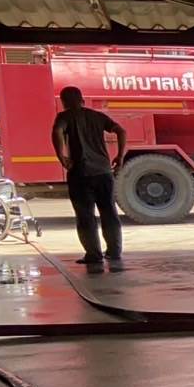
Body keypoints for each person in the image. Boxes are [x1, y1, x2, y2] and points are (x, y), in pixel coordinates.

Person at [51, 86, 127, 273]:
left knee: (85, 216)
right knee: (109, 211)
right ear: (82, 99)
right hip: (103, 172)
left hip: (81, 173)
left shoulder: (64, 117)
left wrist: (61, 155)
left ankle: (93, 255)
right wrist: (120, 155)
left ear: (64, 102)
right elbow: (121, 131)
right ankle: (115, 252)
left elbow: (57, 132)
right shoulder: (97, 116)